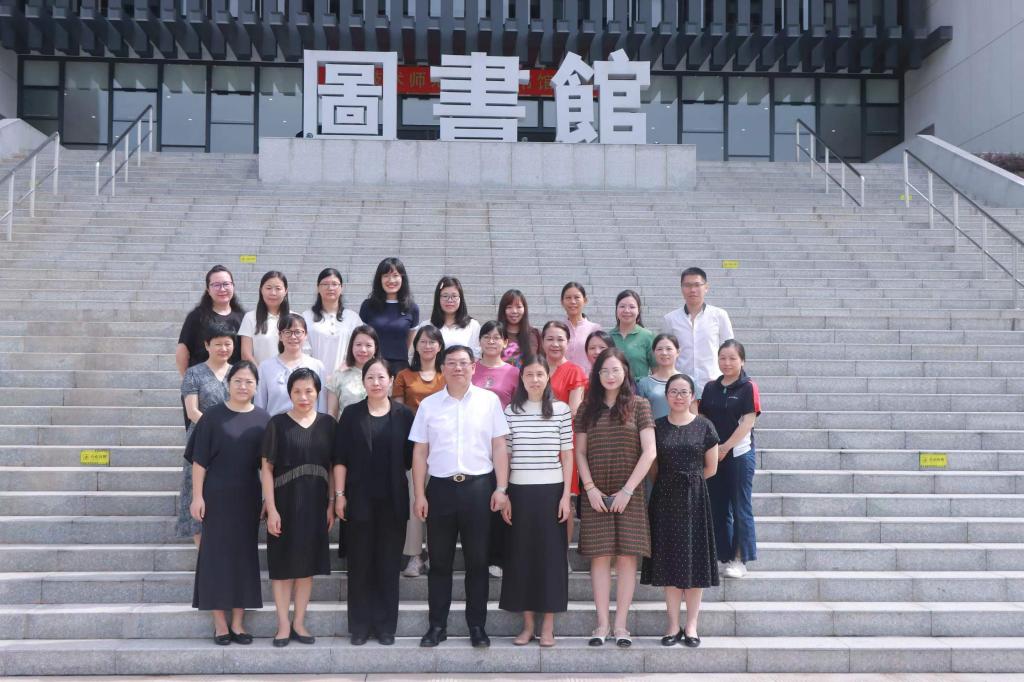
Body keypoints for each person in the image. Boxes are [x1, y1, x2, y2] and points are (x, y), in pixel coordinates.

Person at [410, 345, 510, 649]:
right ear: (442, 367)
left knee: (477, 562)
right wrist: (419, 494)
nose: (457, 368)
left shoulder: (489, 401)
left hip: (478, 488)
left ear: (473, 367)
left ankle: (477, 626)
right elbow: (420, 452)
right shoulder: (429, 405)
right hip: (440, 489)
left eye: (463, 363)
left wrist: (501, 488)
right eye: (451, 363)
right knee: (439, 562)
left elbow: (499, 446)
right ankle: (437, 626)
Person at [575, 347, 656, 649]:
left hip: (629, 492)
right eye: (604, 371)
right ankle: (602, 624)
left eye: (616, 370)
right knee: (599, 557)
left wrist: (627, 490)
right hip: (595, 491)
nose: (610, 376)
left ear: (625, 373)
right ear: (597, 375)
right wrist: (590, 488)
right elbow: (580, 452)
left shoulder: (640, 405)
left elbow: (650, 451)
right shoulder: (587, 408)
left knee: (626, 557)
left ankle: (621, 625)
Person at [333, 358, 415, 646]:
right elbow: (340, 458)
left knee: (388, 565)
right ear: (363, 381)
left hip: (393, 500)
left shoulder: (404, 415)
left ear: (391, 381)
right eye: (370, 377)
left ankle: (384, 627)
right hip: (358, 500)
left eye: (381, 377)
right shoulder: (351, 415)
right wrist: (339, 495)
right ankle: (359, 626)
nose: (376, 382)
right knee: (360, 564)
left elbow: (412, 458)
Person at [190, 361, 270, 645]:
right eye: (238, 381)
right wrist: (197, 496)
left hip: (248, 497)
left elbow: (266, 466)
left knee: (244, 557)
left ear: (256, 386)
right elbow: (199, 461)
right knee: (215, 556)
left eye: (249, 382)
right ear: (228, 383)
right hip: (216, 496)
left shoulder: (263, 419)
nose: (243, 386)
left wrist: (267, 499)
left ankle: (238, 622)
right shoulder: (212, 416)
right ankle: (220, 623)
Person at [640, 373, 720, 648]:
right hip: (664, 500)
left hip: (695, 500)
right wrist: (670, 483)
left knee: (694, 563)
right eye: (673, 391)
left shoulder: (704, 426)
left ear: (692, 396)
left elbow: (711, 467)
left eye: (684, 391)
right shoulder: (657, 427)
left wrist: (690, 483)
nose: (678, 396)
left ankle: (692, 625)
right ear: (666, 395)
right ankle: (673, 625)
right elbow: (653, 469)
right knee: (670, 562)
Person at [499, 358, 573, 648]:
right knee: (521, 558)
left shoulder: (561, 410)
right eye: (529, 374)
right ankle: (528, 625)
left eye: (540, 374)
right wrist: (504, 492)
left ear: (547, 377)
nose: (535, 379)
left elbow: (567, 455)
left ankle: (548, 627)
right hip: (519, 492)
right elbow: (505, 455)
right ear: (521, 378)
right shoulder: (511, 411)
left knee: (551, 560)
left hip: (552, 492)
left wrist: (566, 496)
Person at [260, 368, 336, 647]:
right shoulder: (277, 424)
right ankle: (282, 624)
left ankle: (299, 623)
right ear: (289, 393)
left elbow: (333, 467)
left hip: (315, 504)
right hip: (284, 504)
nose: (303, 397)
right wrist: (271, 508)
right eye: (297, 391)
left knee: (306, 567)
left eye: (309, 391)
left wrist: (331, 504)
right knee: (282, 568)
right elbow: (266, 469)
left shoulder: (328, 424)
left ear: (318, 392)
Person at [699, 340, 761, 580]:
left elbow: (748, 422)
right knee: (718, 506)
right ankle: (722, 556)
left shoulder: (748, 387)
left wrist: (725, 447)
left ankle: (740, 559)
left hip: (739, 454)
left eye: (732, 358)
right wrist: (713, 448)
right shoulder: (711, 387)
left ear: (742, 361)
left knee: (740, 506)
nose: (727, 363)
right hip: (714, 454)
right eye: (723, 358)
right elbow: (703, 416)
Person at [393, 325, 446, 578]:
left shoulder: (446, 375)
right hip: (413, 447)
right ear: (415, 345)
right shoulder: (404, 375)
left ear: (439, 346)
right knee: (416, 498)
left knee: (439, 502)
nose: (427, 346)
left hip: (442, 447)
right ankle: (415, 555)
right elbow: (398, 414)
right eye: (422, 341)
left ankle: (435, 552)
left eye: (432, 342)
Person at [176, 323, 233, 544]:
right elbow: (192, 411)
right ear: (207, 345)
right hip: (201, 439)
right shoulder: (194, 373)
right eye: (218, 344)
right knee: (197, 494)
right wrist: (220, 429)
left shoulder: (238, 373)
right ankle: (203, 555)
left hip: (232, 441)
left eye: (227, 344)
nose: (223, 348)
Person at [542, 320, 587, 543]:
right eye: (550, 339)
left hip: (563, 444)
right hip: (535, 443)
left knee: (564, 498)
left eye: (560, 339)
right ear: (542, 342)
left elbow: (573, 410)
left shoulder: (574, 371)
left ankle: (562, 554)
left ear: (568, 343)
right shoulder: (534, 369)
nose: (555, 344)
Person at [661, 267, 734, 401]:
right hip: (681, 388)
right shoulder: (670, 319)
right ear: (681, 288)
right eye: (687, 285)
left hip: (713, 383)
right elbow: (665, 352)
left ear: (706, 287)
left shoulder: (719, 315)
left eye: (697, 285)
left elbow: (730, 350)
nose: (692, 289)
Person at [176, 265, 245, 375]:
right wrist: (188, 380)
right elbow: (182, 350)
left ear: (233, 286)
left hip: (233, 380)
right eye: (216, 285)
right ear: (208, 290)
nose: (222, 289)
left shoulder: (243, 317)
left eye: (226, 284)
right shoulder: (197, 316)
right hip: (201, 380)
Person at [255, 314, 327, 416]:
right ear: (280, 336)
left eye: (298, 332)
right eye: (287, 332)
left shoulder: (317, 366)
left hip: (309, 424)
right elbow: (259, 405)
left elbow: (322, 405)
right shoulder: (265, 367)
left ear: (306, 335)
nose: (293, 337)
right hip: (275, 424)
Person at [359, 257, 420, 372]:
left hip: (400, 368)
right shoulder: (368, 306)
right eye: (386, 276)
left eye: (395, 275)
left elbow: (409, 342)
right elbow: (362, 337)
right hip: (373, 367)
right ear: (380, 279)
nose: (391, 280)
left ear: (402, 278)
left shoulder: (412, 308)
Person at [302, 268, 362, 377]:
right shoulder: (306, 317)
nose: (330, 288)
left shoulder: (352, 318)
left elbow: (359, 347)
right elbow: (303, 350)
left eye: (334, 284)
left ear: (341, 288)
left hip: (346, 378)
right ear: (318, 288)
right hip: (313, 378)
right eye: (325, 284)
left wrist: (341, 372)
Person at [326, 325, 380, 419]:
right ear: (351, 346)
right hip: (346, 427)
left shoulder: (383, 375)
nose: (363, 350)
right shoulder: (339, 376)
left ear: (375, 348)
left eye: (368, 345)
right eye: (358, 344)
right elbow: (332, 413)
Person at [238, 270, 290, 367]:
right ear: (261, 290)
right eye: (268, 288)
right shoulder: (250, 318)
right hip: (260, 374)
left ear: (285, 291)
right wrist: (262, 372)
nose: (273, 293)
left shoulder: (295, 318)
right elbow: (246, 354)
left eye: (278, 288)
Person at [430, 276, 481, 359]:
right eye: (445, 296)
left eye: (454, 296)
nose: (450, 300)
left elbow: (476, 356)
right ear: (438, 298)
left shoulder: (473, 325)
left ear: (461, 298)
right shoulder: (428, 325)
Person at [472, 321, 519, 409]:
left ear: (505, 342)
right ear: (479, 341)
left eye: (496, 338)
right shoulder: (470, 369)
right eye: (486, 337)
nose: (491, 341)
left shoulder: (514, 373)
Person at [610, 289, 655, 380]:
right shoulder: (608, 337)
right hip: (613, 386)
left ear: (638, 311)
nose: (627, 310)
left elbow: (656, 369)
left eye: (632, 307)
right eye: (622, 306)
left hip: (639, 387)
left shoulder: (648, 336)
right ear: (616, 309)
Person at [637, 334, 682, 420]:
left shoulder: (688, 381)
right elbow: (640, 417)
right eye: (659, 349)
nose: (664, 353)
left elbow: (694, 416)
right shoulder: (644, 383)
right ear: (653, 353)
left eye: (669, 349)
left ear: (678, 352)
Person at [561, 281, 601, 372]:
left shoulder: (594, 329)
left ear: (585, 300)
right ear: (562, 302)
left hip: (587, 378)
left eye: (577, 297)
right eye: (568, 298)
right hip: (562, 378)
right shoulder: (558, 329)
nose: (572, 301)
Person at [497, 289, 541, 368]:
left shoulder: (535, 334)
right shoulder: (495, 335)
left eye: (519, 307)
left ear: (524, 309)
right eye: (509, 307)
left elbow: (542, 362)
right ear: (503, 310)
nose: (514, 311)